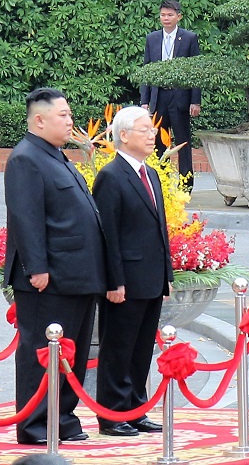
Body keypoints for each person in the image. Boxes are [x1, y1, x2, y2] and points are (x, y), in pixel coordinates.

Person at [4, 88, 107, 445]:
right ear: (39, 120)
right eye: (63, 115)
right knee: (41, 353)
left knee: (70, 355)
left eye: (69, 114)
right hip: (48, 278)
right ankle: (35, 426)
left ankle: (62, 419)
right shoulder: (26, 158)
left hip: (77, 275)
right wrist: (36, 268)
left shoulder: (56, 156)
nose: (70, 121)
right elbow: (26, 217)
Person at [92, 107, 172, 437]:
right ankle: (112, 414)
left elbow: (159, 228)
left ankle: (136, 409)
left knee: (141, 350)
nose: (152, 136)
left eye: (151, 130)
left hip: (151, 277)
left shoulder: (149, 173)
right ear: (123, 135)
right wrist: (114, 281)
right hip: (125, 280)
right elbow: (107, 234)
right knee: (118, 348)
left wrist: (166, 273)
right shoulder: (111, 176)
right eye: (144, 130)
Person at [140, 0, 201, 189]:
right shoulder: (152, 38)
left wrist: (195, 101)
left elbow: (195, 71)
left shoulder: (189, 38)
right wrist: (144, 101)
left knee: (183, 142)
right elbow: (147, 70)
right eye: (163, 15)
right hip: (159, 98)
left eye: (170, 15)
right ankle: (162, 184)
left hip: (180, 97)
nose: (166, 18)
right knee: (158, 142)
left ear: (178, 16)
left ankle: (186, 185)